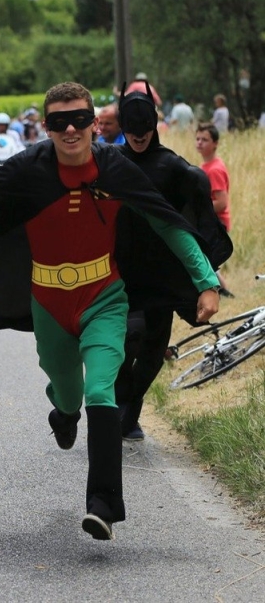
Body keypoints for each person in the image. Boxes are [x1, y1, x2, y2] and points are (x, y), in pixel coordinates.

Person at [0, 82, 221, 541]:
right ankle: (62, 412)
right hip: (48, 303)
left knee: (101, 389)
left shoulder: (116, 167)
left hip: (105, 299)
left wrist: (206, 282)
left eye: (79, 119)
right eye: (57, 122)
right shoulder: (26, 171)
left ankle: (104, 505)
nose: (70, 129)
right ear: (46, 128)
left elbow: (166, 222)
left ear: (95, 122)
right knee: (68, 392)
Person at [114, 87, 233, 441]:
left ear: (155, 124)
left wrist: (203, 279)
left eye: (145, 125)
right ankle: (120, 402)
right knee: (125, 340)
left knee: (153, 349)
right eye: (131, 126)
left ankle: (130, 409)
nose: (138, 134)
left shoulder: (174, 167)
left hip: (162, 275)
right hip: (120, 272)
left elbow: (194, 216)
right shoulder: (108, 162)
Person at [196, 122, 233, 297]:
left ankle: (222, 293)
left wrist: (199, 208)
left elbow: (222, 202)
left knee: (207, 259)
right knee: (207, 259)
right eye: (197, 139)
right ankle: (223, 292)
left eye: (205, 139)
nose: (200, 143)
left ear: (215, 143)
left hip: (217, 223)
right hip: (211, 222)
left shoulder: (215, 169)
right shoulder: (206, 166)